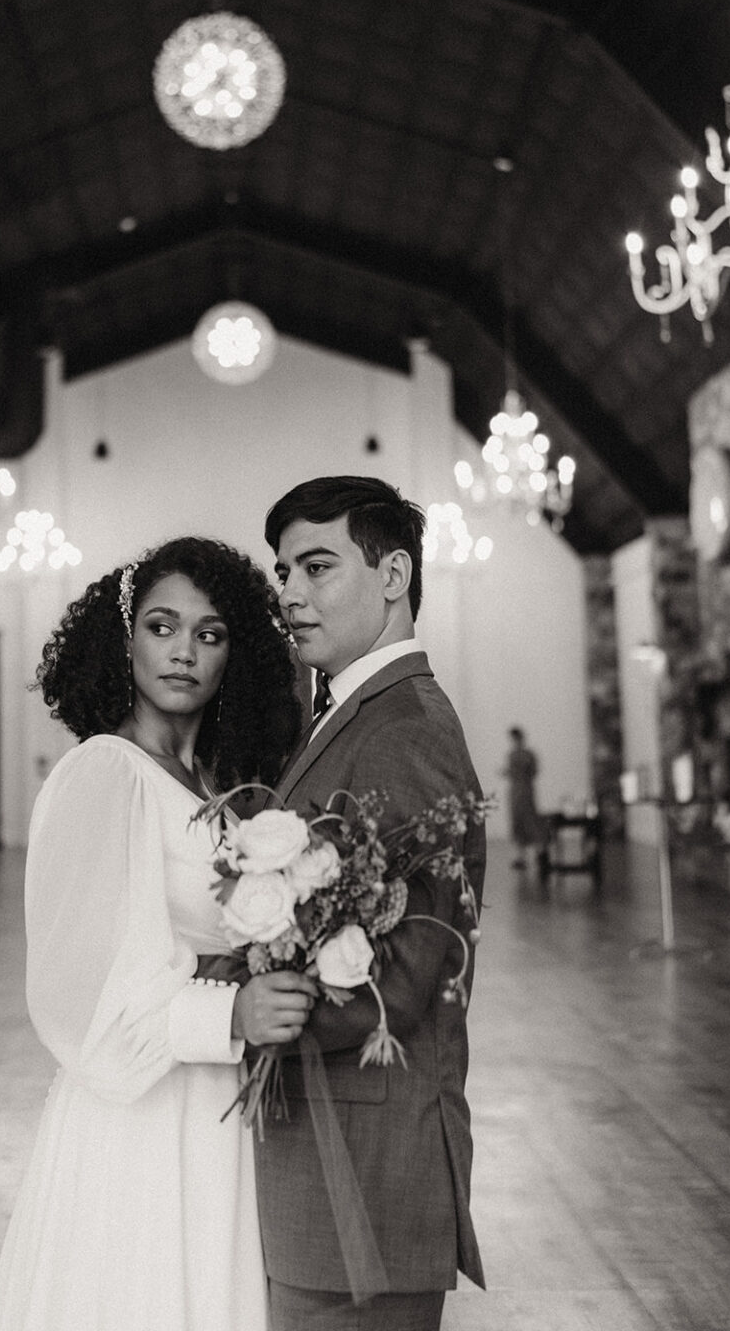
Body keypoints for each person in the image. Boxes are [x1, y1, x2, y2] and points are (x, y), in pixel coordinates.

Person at [0, 536, 312, 1331]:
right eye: (161, 627)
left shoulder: (221, 791)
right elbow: (75, 991)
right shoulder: (103, 771)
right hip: (137, 1119)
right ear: (122, 638)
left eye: (210, 634)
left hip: (224, 1108)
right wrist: (228, 1012)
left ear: (236, 655)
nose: (183, 653)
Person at [255, 476, 487, 1331]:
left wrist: (234, 1017)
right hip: (326, 1160)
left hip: (364, 1172)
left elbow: (403, 970)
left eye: (317, 567)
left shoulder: (405, 729)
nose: (290, 594)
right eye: (284, 572)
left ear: (394, 575)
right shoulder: (350, 714)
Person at [503, 726, 543, 869]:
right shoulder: (515, 754)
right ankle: (523, 856)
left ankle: (538, 853)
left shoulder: (524, 754)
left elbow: (533, 771)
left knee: (529, 823)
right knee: (519, 824)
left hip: (523, 792)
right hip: (518, 792)